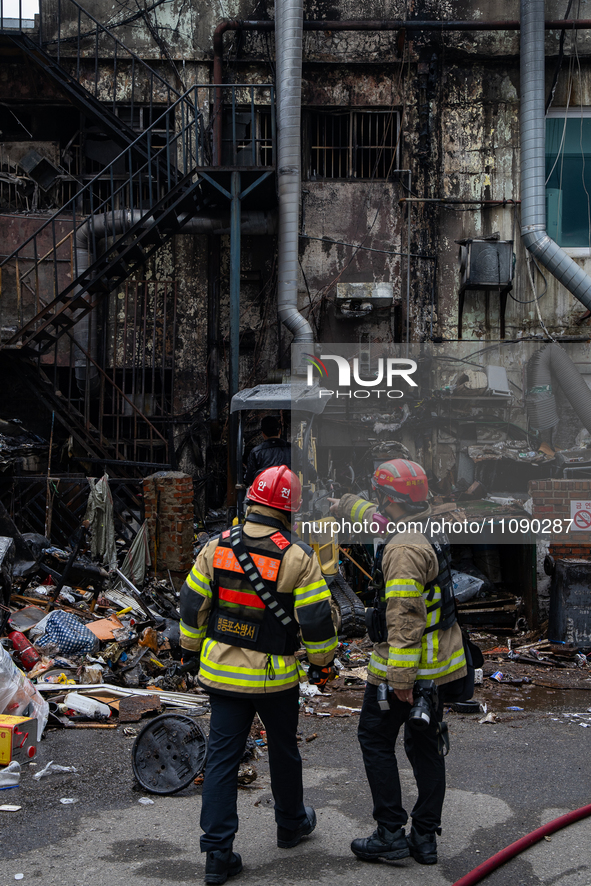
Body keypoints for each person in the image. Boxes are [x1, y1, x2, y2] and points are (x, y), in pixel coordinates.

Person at [180, 465, 338, 885]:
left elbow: (191, 605)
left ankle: (217, 854)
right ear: (289, 511)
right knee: (284, 749)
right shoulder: (297, 556)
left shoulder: (216, 547)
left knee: (222, 758)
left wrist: (192, 651)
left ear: (250, 501)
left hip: (223, 676)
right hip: (274, 680)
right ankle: (290, 825)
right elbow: (318, 621)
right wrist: (322, 664)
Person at [330, 458, 466, 866]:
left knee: (374, 738)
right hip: (438, 665)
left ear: (389, 498)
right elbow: (371, 515)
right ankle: (424, 838)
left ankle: (390, 832)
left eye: (379, 494)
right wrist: (342, 504)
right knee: (425, 746)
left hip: (409, 667)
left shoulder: (403, 549)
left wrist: (401, 679)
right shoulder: (425, 522)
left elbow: (405, 620)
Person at [244, 415, 317, 487]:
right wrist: (314, 478)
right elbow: (308, 469)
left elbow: (249, 478)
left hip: (263, 493)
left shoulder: (256, 452)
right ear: (279, 431)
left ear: (263, 434)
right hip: (287, 492)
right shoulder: (293, 449)